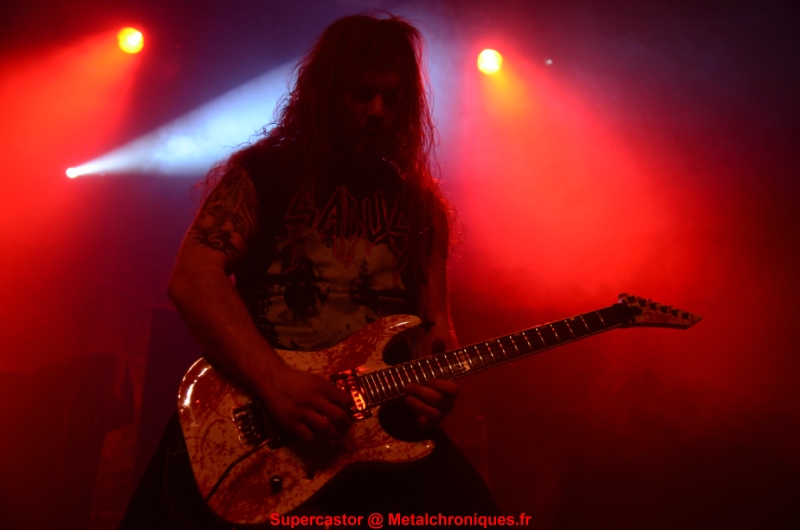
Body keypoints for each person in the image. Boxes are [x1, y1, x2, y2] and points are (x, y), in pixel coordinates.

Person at [121, 14, 498, 529]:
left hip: (379, 430)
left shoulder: (421, 209)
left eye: (392, 99)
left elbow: (437, 329)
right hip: (262, 423)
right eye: (361, 94)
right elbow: (193, 280)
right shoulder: (264, 176)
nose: (377, 111)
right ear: (325, 93)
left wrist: (437, 387)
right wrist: (277, 383)